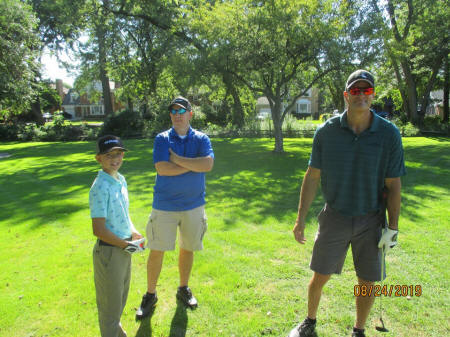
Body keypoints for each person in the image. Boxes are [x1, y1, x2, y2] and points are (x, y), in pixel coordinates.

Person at [288, 70, 406, 337]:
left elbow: (393, 185)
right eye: (355, 91)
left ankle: (359, 330)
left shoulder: (389, 134)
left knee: (367, 281)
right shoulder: (326, 132)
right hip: (335, 216)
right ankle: (309, 321)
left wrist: (393, 227)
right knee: (320, 275)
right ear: (346, 96)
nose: (361, 95)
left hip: (371, 219)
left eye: (366, 91)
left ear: (373, 95)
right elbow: (312, 177)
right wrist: (300, 219)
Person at [136, 96, 214, 319]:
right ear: (170, 115)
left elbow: (207, 164)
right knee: (157, 249)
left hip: (194, 205)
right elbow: (162, 169)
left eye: (182, 111)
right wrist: (192, 166)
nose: (177, 115)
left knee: (188, 248)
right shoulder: (162, 139)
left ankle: (183, 288)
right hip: (165, 206)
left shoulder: (201, 138)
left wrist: (178, 159)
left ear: (190, 114)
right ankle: (150, 294)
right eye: (174, 112)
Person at [90, 135, 144, 337]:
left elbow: (122, 212)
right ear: (99, 158)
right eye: (109, 155)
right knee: (109, 308)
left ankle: (115, 332)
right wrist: (124, 244)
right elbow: (99, 229)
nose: (115, 159)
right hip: (110, 252)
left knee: (120, 299)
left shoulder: (120, 180)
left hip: (123, 248)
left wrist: (133, 231)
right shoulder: (99, 187)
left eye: (119, 153)